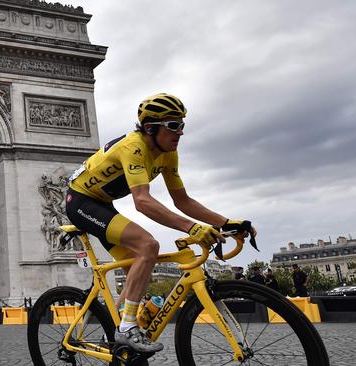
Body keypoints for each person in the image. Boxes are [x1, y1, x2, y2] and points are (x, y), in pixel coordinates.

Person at [65, 93, 256, 354]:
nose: (181, 133)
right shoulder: (133, 147)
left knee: (138, 262)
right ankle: (128, 328)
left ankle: (119, 329)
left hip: (103, 204)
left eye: (182, 125)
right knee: (148, 245)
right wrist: (192, 227)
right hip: (81, 201)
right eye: (173, 126)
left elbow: (182, 201)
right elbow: (142, 201)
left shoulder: (167, 154)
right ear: (150, 128)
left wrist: (226, 222)